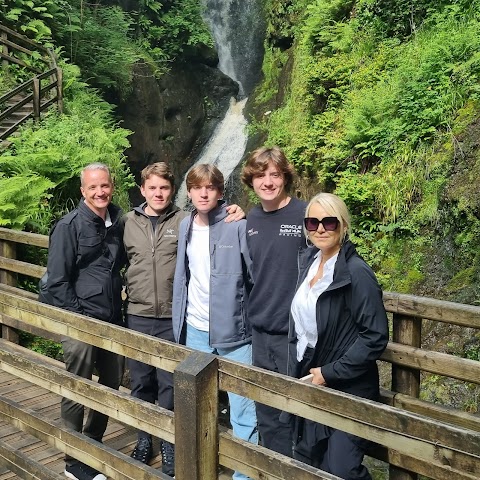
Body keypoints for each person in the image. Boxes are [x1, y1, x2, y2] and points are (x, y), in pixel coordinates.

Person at [123, 162, 245, 477]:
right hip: (138, 314)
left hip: (174, 319)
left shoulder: (184, 220)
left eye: (164, 188)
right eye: (153, 188)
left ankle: (169, 446)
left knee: (170, 385)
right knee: (140, 382)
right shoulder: (127, 223)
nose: (159, 193)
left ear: (174, 191)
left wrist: (241, 211)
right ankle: (143, 440)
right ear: (143, 190)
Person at [287, 192, 389, 478]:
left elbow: (375, 336)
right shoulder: (308, 262)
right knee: (310, 461)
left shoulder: (356, 273)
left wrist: (330, 372)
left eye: (329, 222)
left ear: (343, 225)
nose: (320, 228)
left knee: (342, 469)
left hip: (348, 385)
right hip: (311, 376)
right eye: (313, 222)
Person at [172, 164, 258, 480]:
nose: (203, 193)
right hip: (195, 330)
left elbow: (254, 277)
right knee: (198, 408)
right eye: (197, 187)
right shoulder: (185, 226)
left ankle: (243, 476)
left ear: (220, 191)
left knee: (244, 411)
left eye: (210, 187)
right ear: (190, 191)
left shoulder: (237, 224)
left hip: (235, 334)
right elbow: (185, 276)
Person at [46, 163, 125, 480]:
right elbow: (57, 282)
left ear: (112, 186)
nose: (100, 192)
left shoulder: (118, 220)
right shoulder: (69, 226)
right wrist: (79, 320)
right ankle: (73, 459)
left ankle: (93, 444)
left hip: (112, 320)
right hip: (80, 322)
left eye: (104, 185)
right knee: (77, 388)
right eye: (93, 187)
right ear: (83, 191)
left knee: (110, 385)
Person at [240, 146, 306, 457]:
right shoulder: (250, 219)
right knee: (266, 411)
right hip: (261, 333)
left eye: (275, 175)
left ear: (285, 178)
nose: (268, 181)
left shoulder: (307, 215)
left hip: (295, 335)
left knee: (296, 413)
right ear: (251, 181)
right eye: (261, 175)